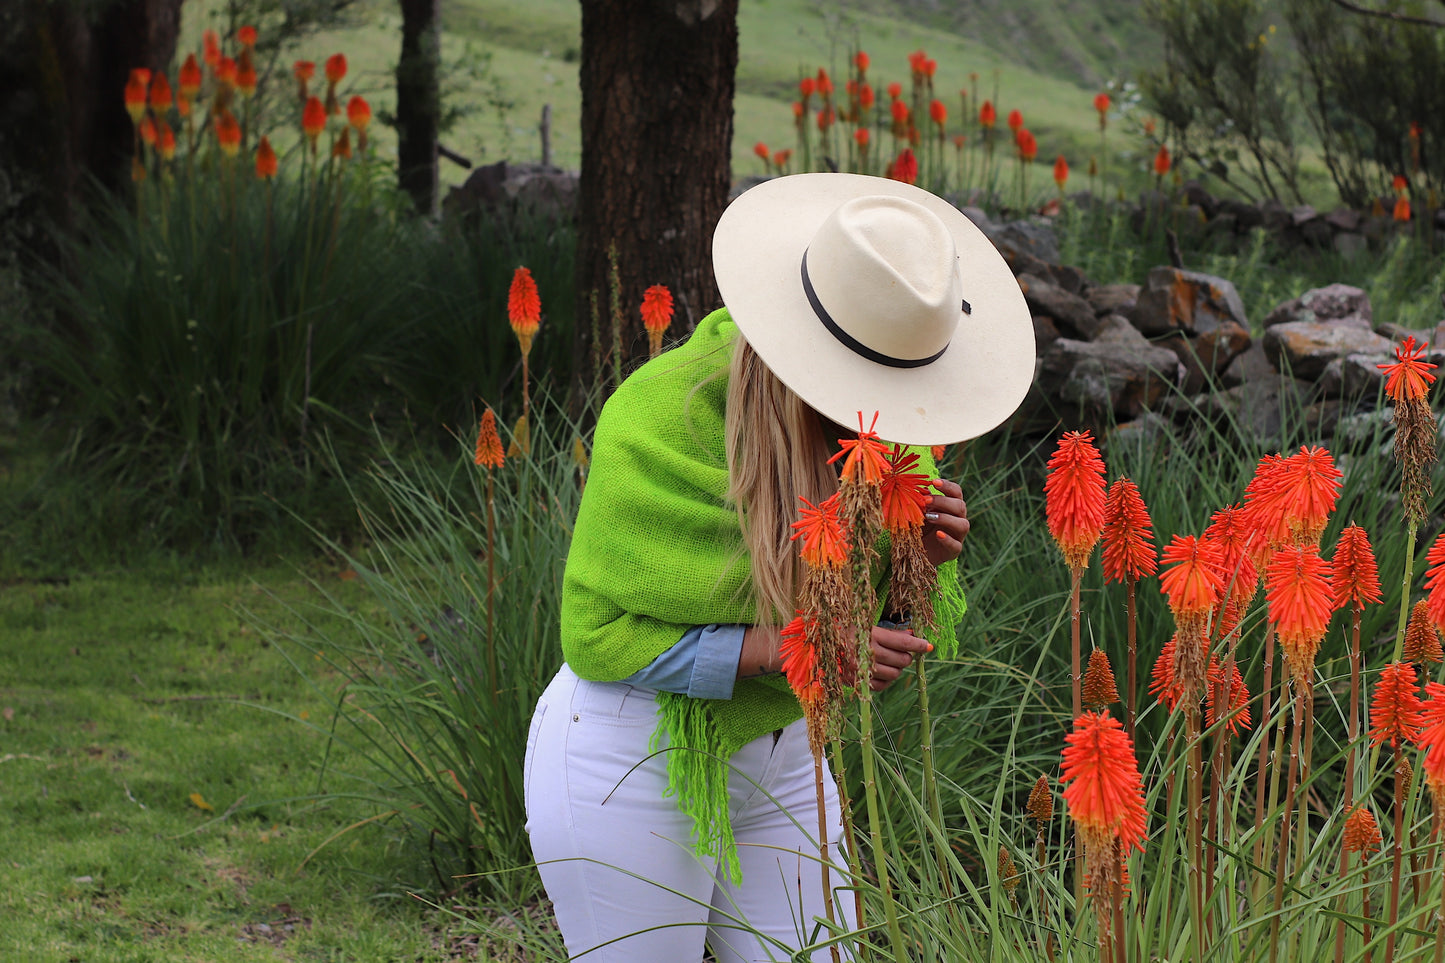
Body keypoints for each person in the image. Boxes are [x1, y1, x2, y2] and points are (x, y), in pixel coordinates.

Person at [523, 172, 1035, 962]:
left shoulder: (891, 429)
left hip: (786, 748)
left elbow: (866, 628)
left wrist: (916, 565)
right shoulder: (660, 418)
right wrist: (802, 649)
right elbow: (599, 634)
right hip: (631, 755)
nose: (893, 410)